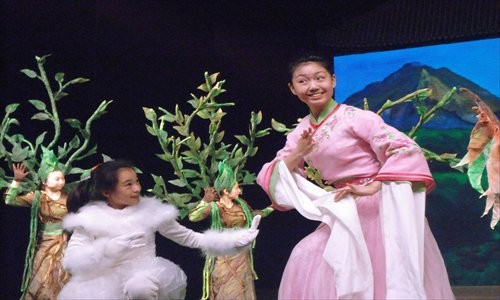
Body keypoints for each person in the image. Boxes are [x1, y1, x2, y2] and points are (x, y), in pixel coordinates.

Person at [257, 55, 455, 299]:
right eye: (303, 81)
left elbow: (405, 149)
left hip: (380, 208)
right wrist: (298, 153)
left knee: (380, 271)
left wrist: (374, 185)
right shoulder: (300, 133)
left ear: (333, 80)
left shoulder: (356, 118)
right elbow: (275, 173)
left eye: (320, 78)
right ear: (292, 88)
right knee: (307, 255)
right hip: (346, 207)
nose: (313, 86)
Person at [58, 159, 260, 300]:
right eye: (128, 185)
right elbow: (71, 261)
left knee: (141, 288)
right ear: (107, 191)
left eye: (136, 182)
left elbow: (190, 238)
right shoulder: (90, 219)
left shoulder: (149, 211)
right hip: (101, 283)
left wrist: (235, 240)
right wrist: (108, 248)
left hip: (142, 274)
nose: (137, 188)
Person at [189, 161, 273, 300]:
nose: (239, 190)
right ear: (226, 191)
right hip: (223, 255)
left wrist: (271, 208)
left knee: (241, 289)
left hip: (241, 255)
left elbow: (253, 215)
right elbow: (193, 217)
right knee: (226, 288)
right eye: (235, 187)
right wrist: (205, 200)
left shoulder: (242, 204)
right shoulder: (215, 207)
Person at [3, 151, 70, 300]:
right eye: (57, 178)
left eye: (63, 178)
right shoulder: (38, 196)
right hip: (45, 243)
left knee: (62, 275)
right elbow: (9, 200)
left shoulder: (68, 196)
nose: (61, 182)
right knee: (42, 275)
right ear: (45, 181)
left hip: (64, 243)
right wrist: (16, 181)